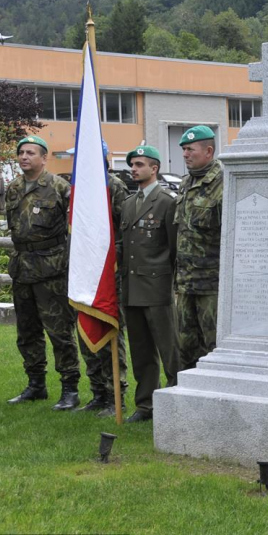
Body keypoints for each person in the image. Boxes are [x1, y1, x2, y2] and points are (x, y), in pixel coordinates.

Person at [5, 136, 81, 411]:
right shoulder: (13, 188)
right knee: (27, 331)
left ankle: (70, 388)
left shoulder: (60, 188)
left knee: (59, 332)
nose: (24, 157)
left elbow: (75, 227)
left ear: (43, 158)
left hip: (51, 269)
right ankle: (35, 384)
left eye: (31, 153)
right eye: (21, 152)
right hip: (22, 267)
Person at [120, 145, 179, 423]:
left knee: (169, 350)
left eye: (139, 164)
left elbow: (174, 247)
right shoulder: (129, 204)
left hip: (158, 289)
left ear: (153, 168)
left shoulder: (167, 201)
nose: (134, 169)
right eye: (132, 164)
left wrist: (173, 285)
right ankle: (145, 405)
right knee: (141, 351)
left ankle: (177, 399)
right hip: (132, 289)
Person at [75, 150, 130, 417]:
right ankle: (97, 393)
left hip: (108, 273)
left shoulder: (114, 187)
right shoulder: (79, 188)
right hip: (86, 271)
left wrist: (111, 261)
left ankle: (115, 394)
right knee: (86, 334)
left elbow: (124, 227)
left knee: (109, 331)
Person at [174, 125, 223, 370]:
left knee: (214, 349)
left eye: (190, 149)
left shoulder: (224, 184)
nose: (185, 154)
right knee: (185, 347)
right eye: (183, 149)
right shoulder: (185, 183)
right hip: (185, 284)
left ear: (209, 151)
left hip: (211, 285)